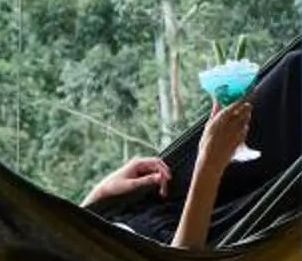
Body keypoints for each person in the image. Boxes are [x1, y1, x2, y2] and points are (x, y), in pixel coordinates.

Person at [82, 97, 253, 249]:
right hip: (181, 244)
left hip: (137, 205)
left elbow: (70, 239)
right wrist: (209, 167)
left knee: (248, 103)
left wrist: (99, 194)